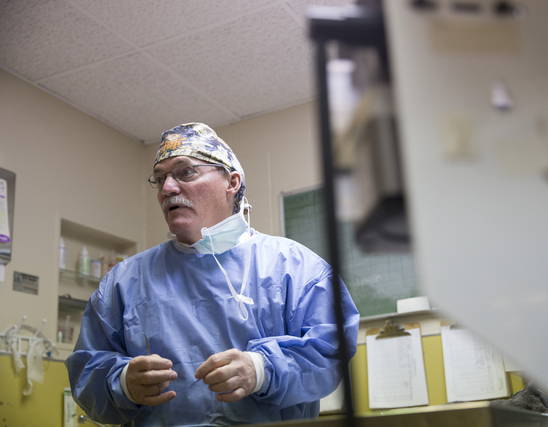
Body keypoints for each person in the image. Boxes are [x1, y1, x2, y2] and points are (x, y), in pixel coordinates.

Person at [65, 122, 360, 426]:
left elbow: (332, 351)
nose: (167, 189)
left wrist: (261, 369)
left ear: (232, 182)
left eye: (185, 172)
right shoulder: (124, 282)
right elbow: (85, 375)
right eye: (160, 178)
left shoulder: (296, 268)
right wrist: (123, 383)